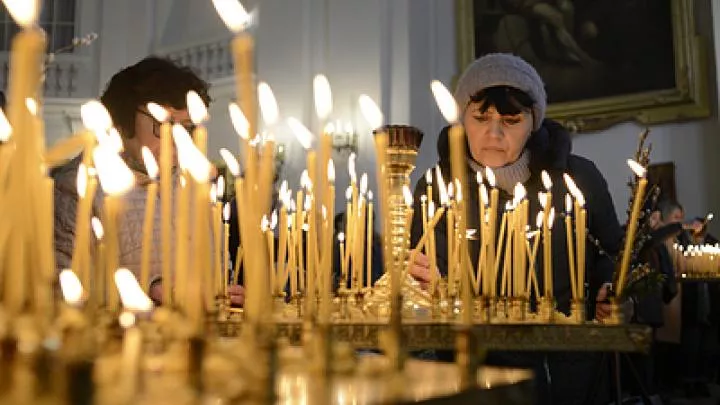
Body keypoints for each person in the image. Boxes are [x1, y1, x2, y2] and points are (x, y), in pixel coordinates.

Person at [408, 53, 623, 404]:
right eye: (480, 117)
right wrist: (418, 280)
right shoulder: (435, 187)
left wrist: (615, 292)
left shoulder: (577, 179)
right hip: (472, 369)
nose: (493, 133)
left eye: (510, 120)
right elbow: (421, 273)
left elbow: (613, 254)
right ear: (462, 118)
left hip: (564, 369)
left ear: (533, 123)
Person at [53, 57, 243, 306]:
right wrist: (147, 291)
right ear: (121, 122)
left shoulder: (195, 188)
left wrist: (226, 294)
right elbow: (58, 290)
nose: (177, 139)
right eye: (162, 124)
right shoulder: (79, 188)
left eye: (187, 128)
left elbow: (214, 273)